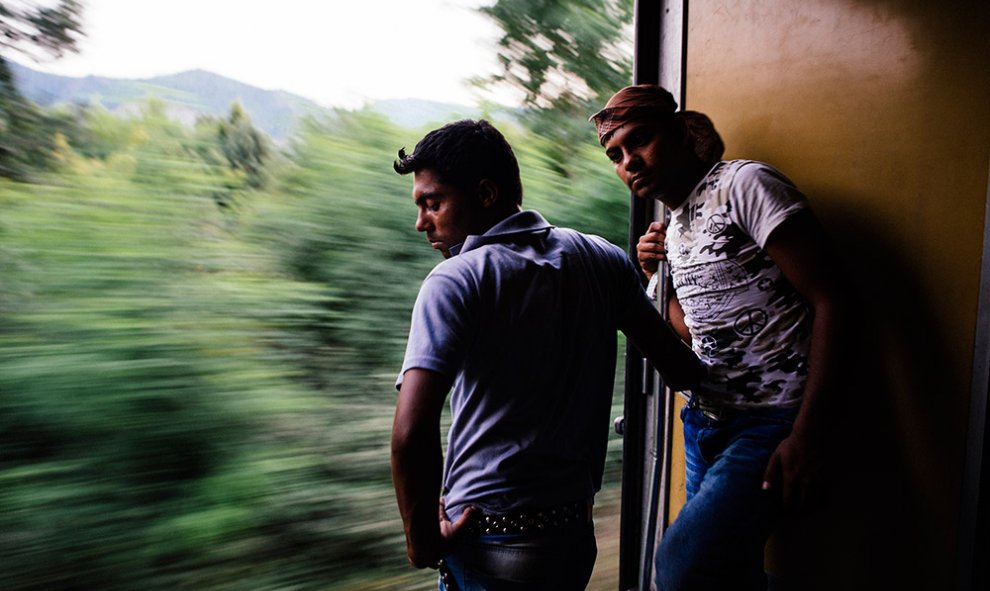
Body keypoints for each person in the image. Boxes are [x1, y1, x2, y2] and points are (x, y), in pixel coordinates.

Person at [389, 119, 702, 590]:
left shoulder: (455, 281)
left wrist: (421, 540)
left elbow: (411, 433)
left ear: (487, 194)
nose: (421, 222)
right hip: (571, 540)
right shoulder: (602, 257)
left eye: (433, 203)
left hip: (486, 543)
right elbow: (680, 367)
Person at [590, 85, 845, 590]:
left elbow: (834, 299)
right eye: (615, 155)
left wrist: (808, 433)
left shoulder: (744, 184)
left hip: (772, 418)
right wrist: (652, 280)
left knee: (681, 567)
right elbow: (696, 331)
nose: (629, 163)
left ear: (682, 133)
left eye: (640, 140)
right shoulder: (672, 227)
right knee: (725, 573)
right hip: (706, 420)